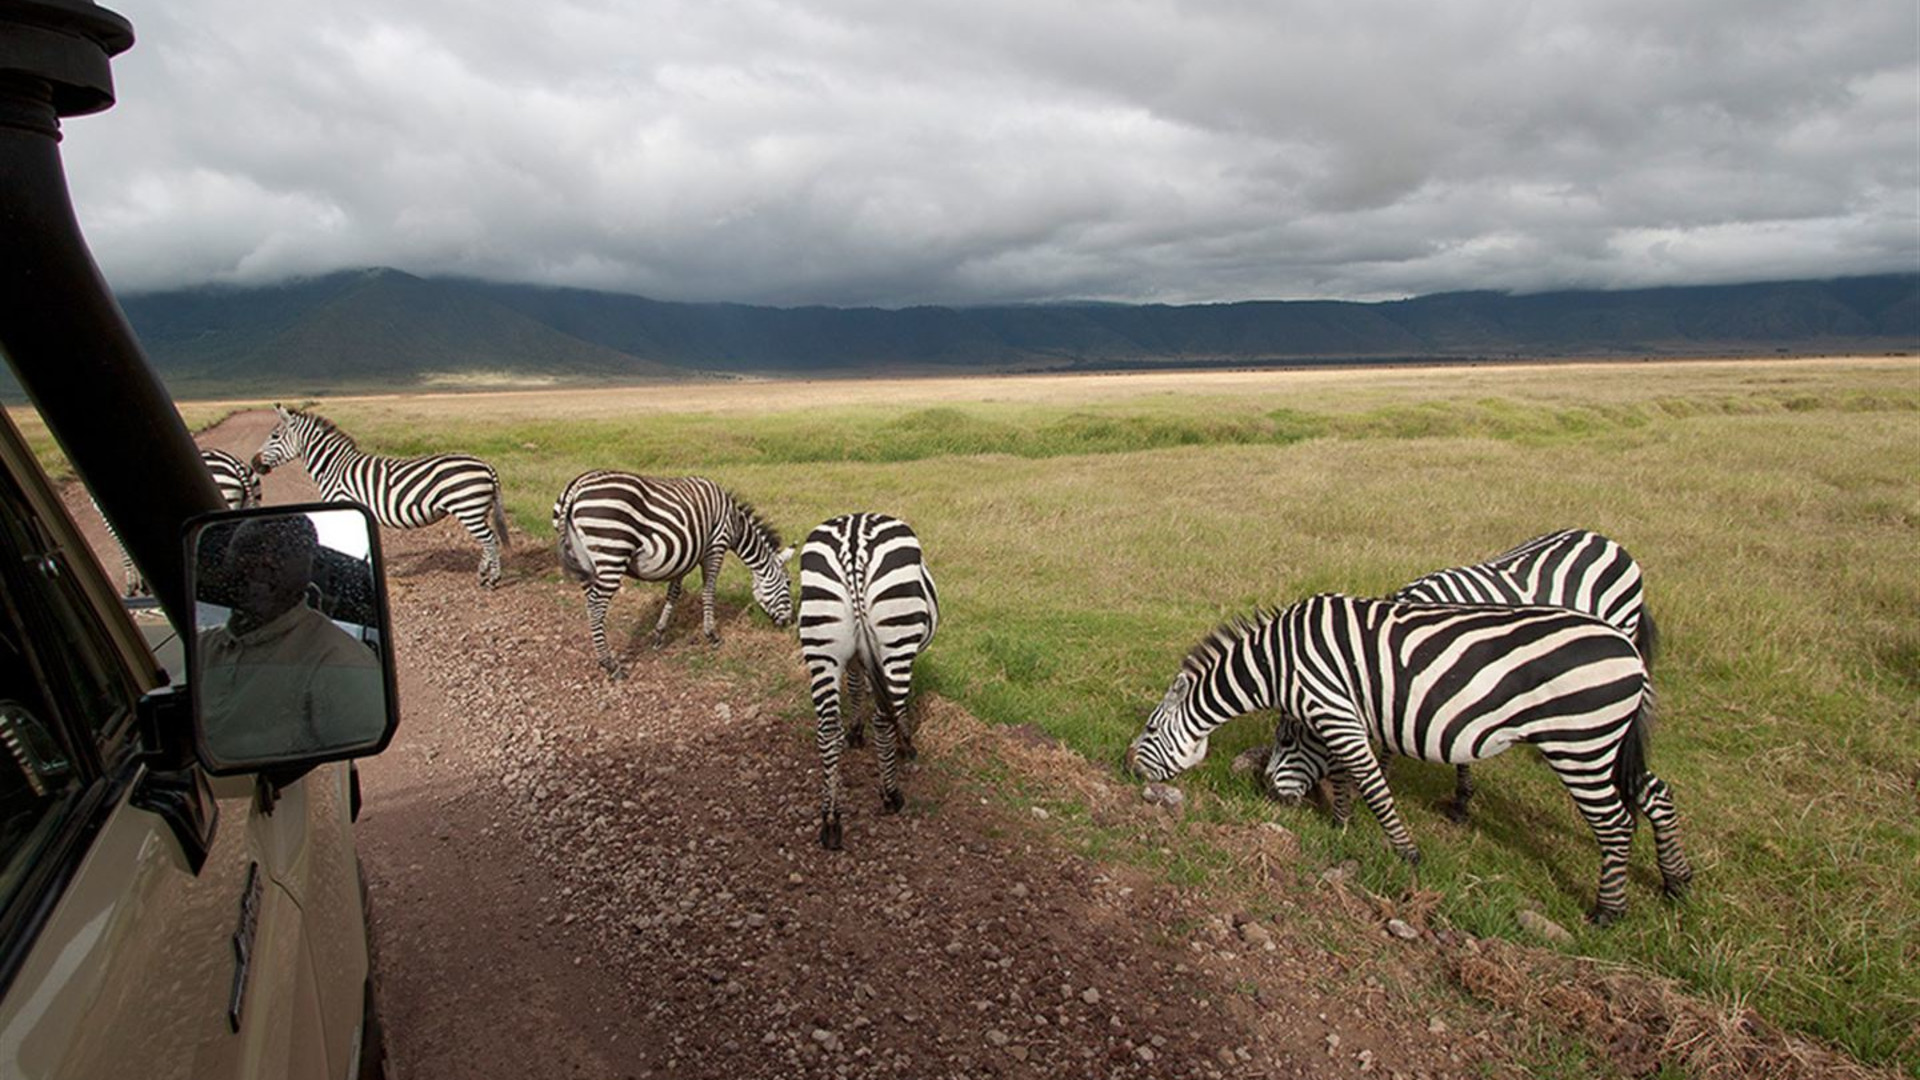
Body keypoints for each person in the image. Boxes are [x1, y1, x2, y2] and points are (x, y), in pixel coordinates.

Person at [196, 514, 386, 762]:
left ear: (310, 570)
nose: (260, 567)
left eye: (280, 555)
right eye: (247, 552)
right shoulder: (203, 646)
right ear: (226, 563)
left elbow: (358, 745)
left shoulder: (339, 659)